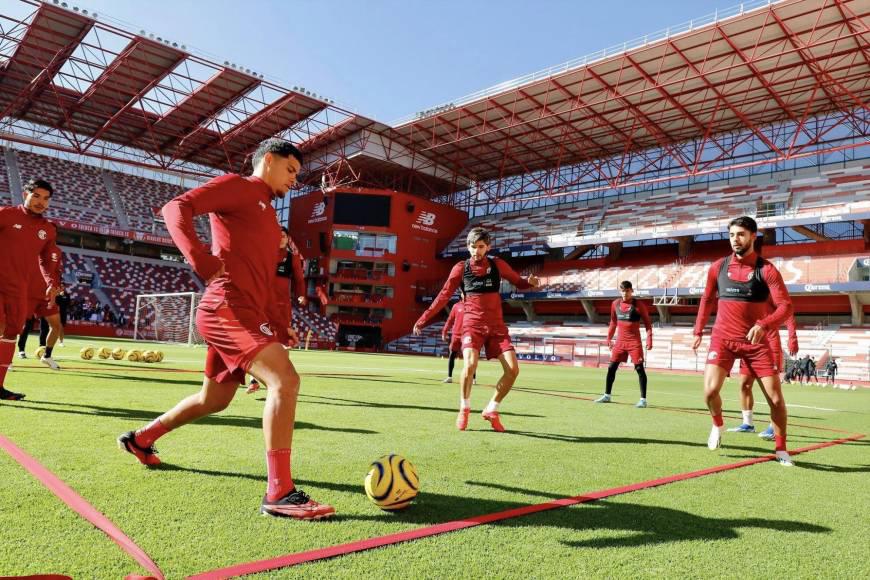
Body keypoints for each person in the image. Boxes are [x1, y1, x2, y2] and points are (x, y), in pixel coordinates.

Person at [117, 138, 334, 520]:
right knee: (285, 380)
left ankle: (141, 438)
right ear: (268, 160)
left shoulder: (268, 216)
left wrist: (281, 326)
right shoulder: (240, 186)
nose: (294, 180)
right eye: (291, 170)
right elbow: (175, 208)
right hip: (226, 308)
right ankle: (279, 493)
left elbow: (262, 279)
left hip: (246, 310)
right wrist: (199, 257)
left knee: (214, 400)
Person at [413, 227, 539, 432]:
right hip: (472, 325)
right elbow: (444, 295)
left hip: (497, 326)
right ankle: (464, 408)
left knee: (513, 370)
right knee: (470, 364)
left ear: (488, 247)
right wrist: (424, 318)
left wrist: (529, 283)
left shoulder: (498, 265)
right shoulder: (460, 269)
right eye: (473, 246)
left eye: (481, 247)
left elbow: (519, 282)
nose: (477, 251)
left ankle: (492, 409)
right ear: (467, 247)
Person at [692, 216, 795, 466]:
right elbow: (706, 300)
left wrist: (764, 325)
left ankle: (781, 450)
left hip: (756, 344)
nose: (735, 240)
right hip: (723, 339)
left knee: (776, 400)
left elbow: (786, 306)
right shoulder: (717, 267)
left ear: (753, 236)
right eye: (731, 235)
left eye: (740, 234)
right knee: (709, 392)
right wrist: (698, 331)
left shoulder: (766, 270)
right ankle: (718, 424)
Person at [0, 178, 60, 400]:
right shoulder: (6, 214)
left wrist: (51, 283)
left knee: (11, 334)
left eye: (45, 198)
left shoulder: (47, 230)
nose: (40, 202)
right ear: (25, 194)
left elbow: (47, 260)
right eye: (36, 196)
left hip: (19, 289)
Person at [247, 227, 306, 394]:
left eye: (284, 236)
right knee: (255, 339)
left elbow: (300, 280)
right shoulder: (264, 255)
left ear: (288, 239)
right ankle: (254, 380)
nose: (280, 238)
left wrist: (301, 295)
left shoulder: (292, 258)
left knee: (281, 343)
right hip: (259, 304)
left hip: (281, 307)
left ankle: (281, 378)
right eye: (277, 236)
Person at [728, 298, 798, 436]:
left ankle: (774, 426)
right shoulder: (745, 287)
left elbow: (788, 312)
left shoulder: (768, 288)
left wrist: (792, 337)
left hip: (769, 343)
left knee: (771, 389)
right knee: (744, 384)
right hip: (749, 341)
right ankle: (748, 424)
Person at [594, 280, 653, 408]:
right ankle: (607, 395)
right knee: (611, 368)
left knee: (639, 369)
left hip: (634, 342)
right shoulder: (615, 304)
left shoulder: (638, 305)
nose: (625, 293)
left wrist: (649, 339)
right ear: (620, 291)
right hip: (620, 342)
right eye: (623, 291)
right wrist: (609, 338)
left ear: (631, 291)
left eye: (627, 290)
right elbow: (613, 322)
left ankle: (643, 400)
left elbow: (648, 323)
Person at [18, 251, 65, 370]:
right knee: (19, 326)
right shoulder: (32, 246)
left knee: (56, 326)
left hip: (48, 295)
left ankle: (47, 356)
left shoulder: (57, 251)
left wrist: (57, 288)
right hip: (29, 294)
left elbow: (57, 273)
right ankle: (12, 356)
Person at [441, 299, 475, 385]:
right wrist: (444, 332)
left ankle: (473, 379)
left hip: (467, 334)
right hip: (456, 335)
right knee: (452, 354)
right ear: (461, 294)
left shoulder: (473, 305)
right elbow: (450, 320)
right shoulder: (456, 306)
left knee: (470, 357)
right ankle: (449, 377)